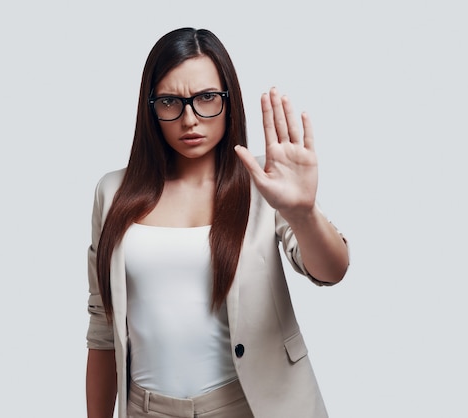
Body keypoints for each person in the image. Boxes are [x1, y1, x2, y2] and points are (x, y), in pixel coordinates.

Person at [86, 27, 349, 418]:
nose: (189, 118)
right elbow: (103, 329)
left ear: (229, 99)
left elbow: (331, 270)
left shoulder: (265, 181)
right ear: (150, 107)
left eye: (206, 98)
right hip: (147, 409)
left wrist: (303, 213)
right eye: (170, 102)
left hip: (251, 405)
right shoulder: (113, 192)